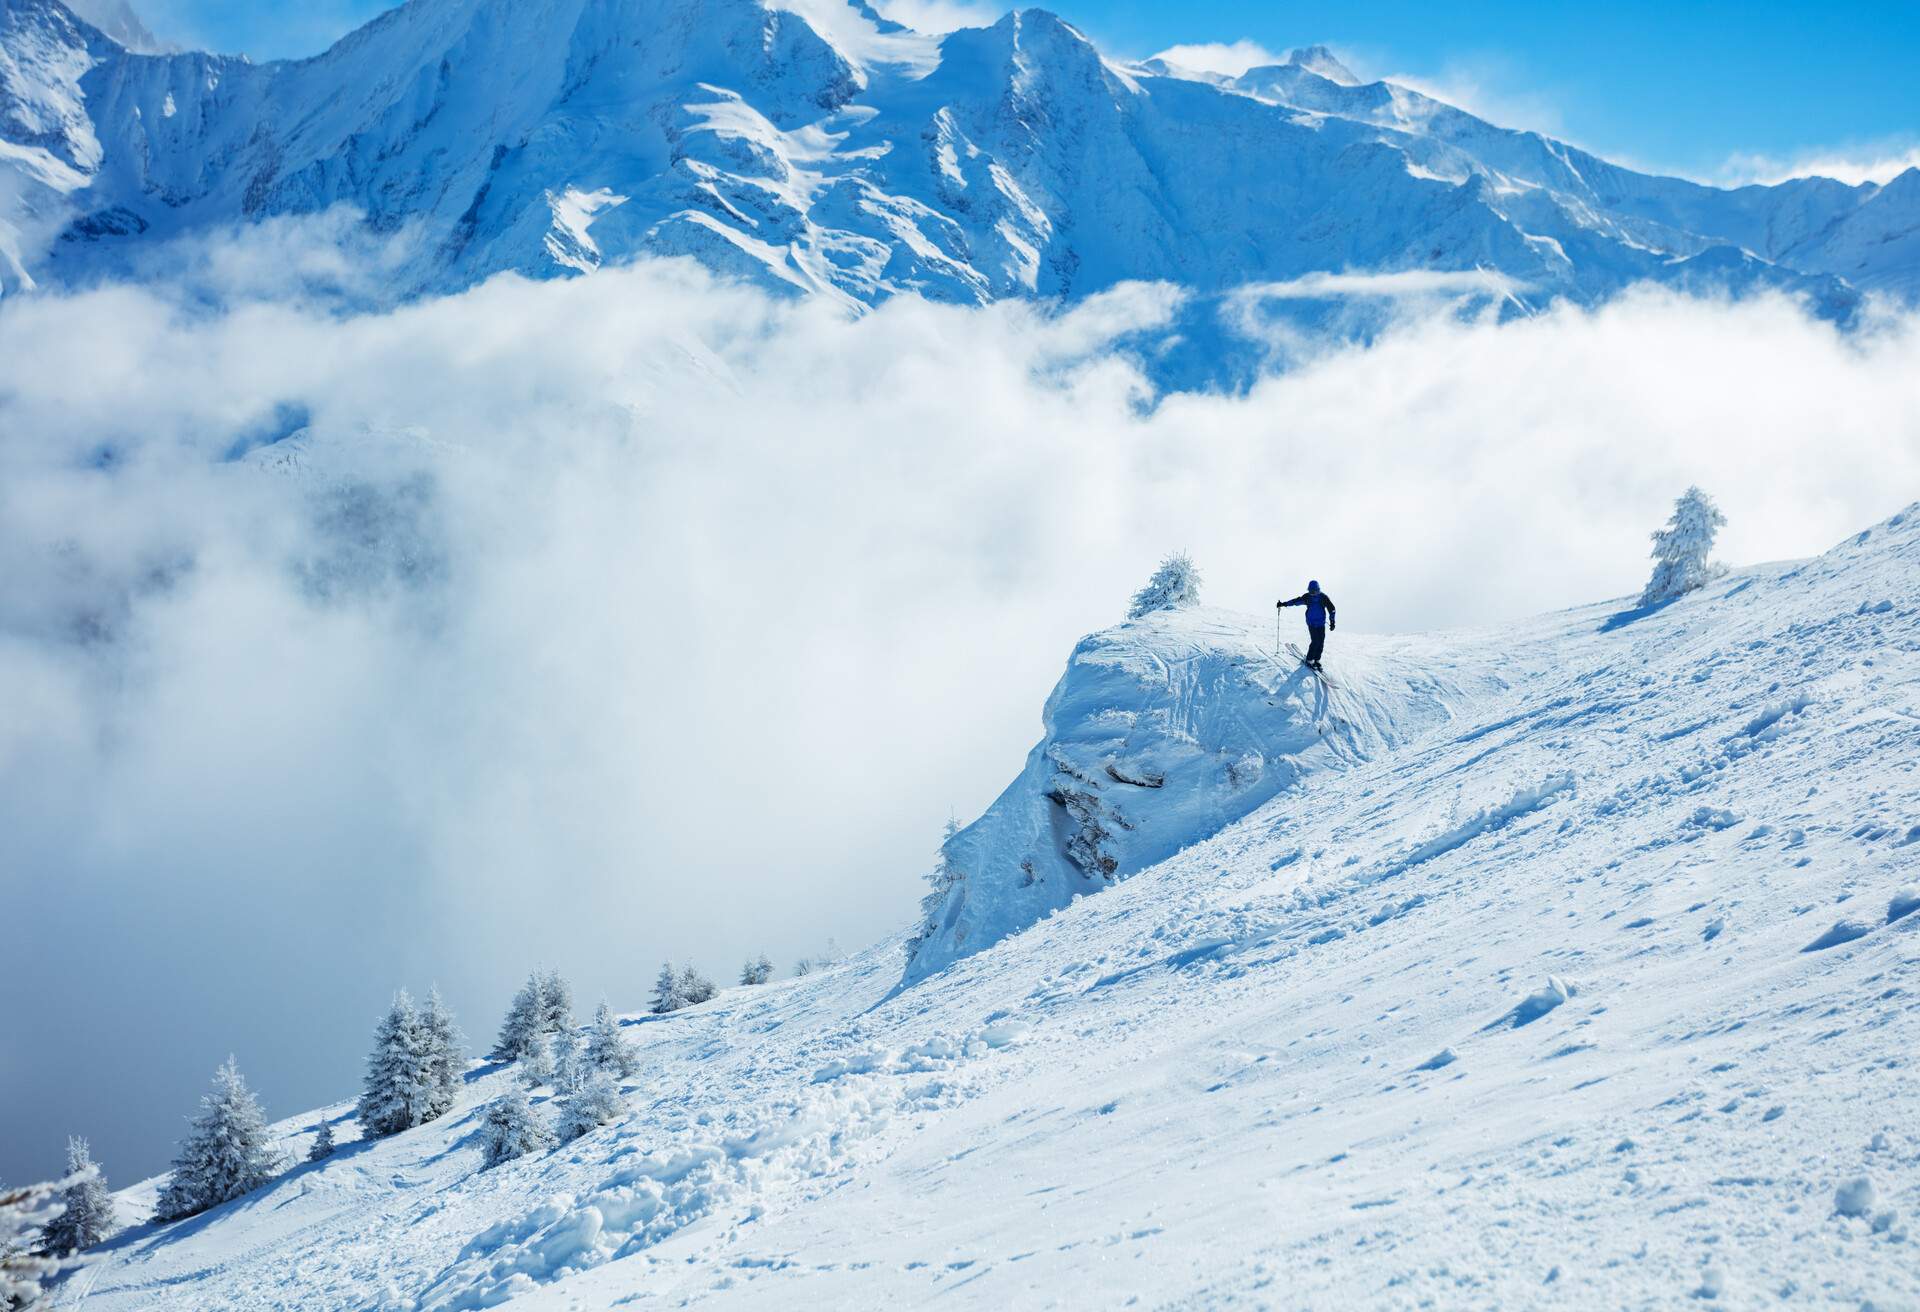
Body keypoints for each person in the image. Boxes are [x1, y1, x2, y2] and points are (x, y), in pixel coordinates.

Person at [1278, 580, 1336, 669]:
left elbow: (1331, 609)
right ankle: (1309, 659)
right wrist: (1284, 604)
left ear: (1318, 590)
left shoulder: (1323, 598)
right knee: (1315, 641)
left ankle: (1317, 659)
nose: (1312, 593)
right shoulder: (1307, 597)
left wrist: (1332, 622)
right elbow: (1295, 601)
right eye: (1311, 591)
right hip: (1311, 623)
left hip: (1321, 623)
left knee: (1321, 642)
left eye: (1314, 591)